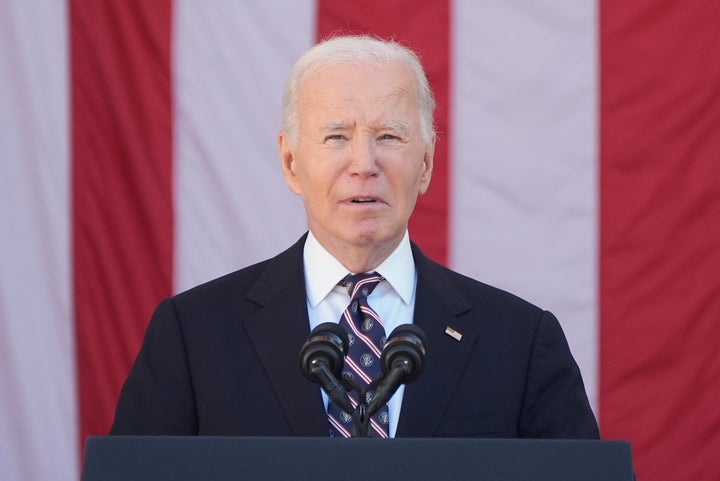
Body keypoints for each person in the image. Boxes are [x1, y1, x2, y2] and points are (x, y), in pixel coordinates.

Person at [110, 35, 599, 439]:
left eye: (389, 136)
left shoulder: (520, 341)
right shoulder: (193, 336)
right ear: (290, 162)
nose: (364, 164)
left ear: (425, 163)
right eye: (336, 136)